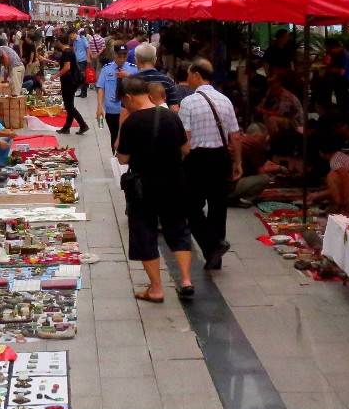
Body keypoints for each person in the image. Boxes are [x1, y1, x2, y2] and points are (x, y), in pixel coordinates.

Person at [116, 77, 195, 302]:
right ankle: (186, 280)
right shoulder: (171, 117)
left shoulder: (132, 122)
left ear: (129, 97)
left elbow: (123, 158)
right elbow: (186, 149)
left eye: (124, 102)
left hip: (144, 187)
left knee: (145, 233)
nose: (125, 106)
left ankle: (156, 289)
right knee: (178, 229)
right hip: (174, 183)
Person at [178, 59, 241, 271]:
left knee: (190, 207)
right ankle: (215, 255)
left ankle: (211, 245)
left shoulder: (189, 102)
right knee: (218, 207)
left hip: (198, 158)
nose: (187, 78)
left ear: (196, 74)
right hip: (221, 157)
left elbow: (185, 138)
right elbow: (235, 135)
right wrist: (237, 162)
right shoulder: (225, 100)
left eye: (188, 74)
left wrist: (183, 158)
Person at [95, 42, 135, 148]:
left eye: (124, 55)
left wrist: (128, 76)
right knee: (114, 135)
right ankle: (116, 158)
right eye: (119, 55)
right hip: (112, 109)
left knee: (128, 136)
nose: (122, 58)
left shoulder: (133, 69)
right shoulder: (106, 68)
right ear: (114, 55)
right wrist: (99, 106)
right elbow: (101, 87)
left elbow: (141, 85)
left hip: (129, 110)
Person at [230, 123, 272, 206]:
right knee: (265, 178)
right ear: (257, 135)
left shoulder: (240, 140)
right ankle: (243, 199)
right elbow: (262, 170)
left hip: (217, 187)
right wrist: (281, 169)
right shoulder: (252, 142)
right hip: (228, 187)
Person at [55, 32, 89, 135]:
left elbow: (67, 67)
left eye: (57, 41)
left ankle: (83, 125)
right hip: (72, 81)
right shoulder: (69, 50)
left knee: (69, 106)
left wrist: (56, 75)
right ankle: (66, 127)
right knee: (69, 104)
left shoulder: (66, 52)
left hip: (69, 82)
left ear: (60, 42)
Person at [130, 43, 180, 109]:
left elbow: (125, 111)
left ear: (136, 60)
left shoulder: (130, 81)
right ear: (155, 59)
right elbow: (174, 108)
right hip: (162, 118)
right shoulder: (167, 80)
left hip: (137, 118)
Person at [72, 29, 90, 98]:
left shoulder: (82, 39)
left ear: (74, 33)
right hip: (77, 61)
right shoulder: (74, 41)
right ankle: (82, 92)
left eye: (71, 36)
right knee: (80, 76)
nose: (71, 38)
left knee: (82, 77)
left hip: (83, 60)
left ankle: (84, 93)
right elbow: (74, 50)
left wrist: (88, 58)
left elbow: (87, 48)